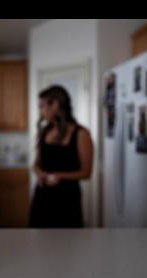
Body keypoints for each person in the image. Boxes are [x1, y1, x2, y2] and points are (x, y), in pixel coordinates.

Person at [29, 85, 94, 228]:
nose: (40, 111)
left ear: (55, 105)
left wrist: (59, 176)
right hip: (42, 197)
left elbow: (86, 172)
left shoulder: (81, 134)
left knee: (68, 246)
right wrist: (40, 174)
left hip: (67, 199)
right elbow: (36, 163)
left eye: (42, 106)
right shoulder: (46, 131)